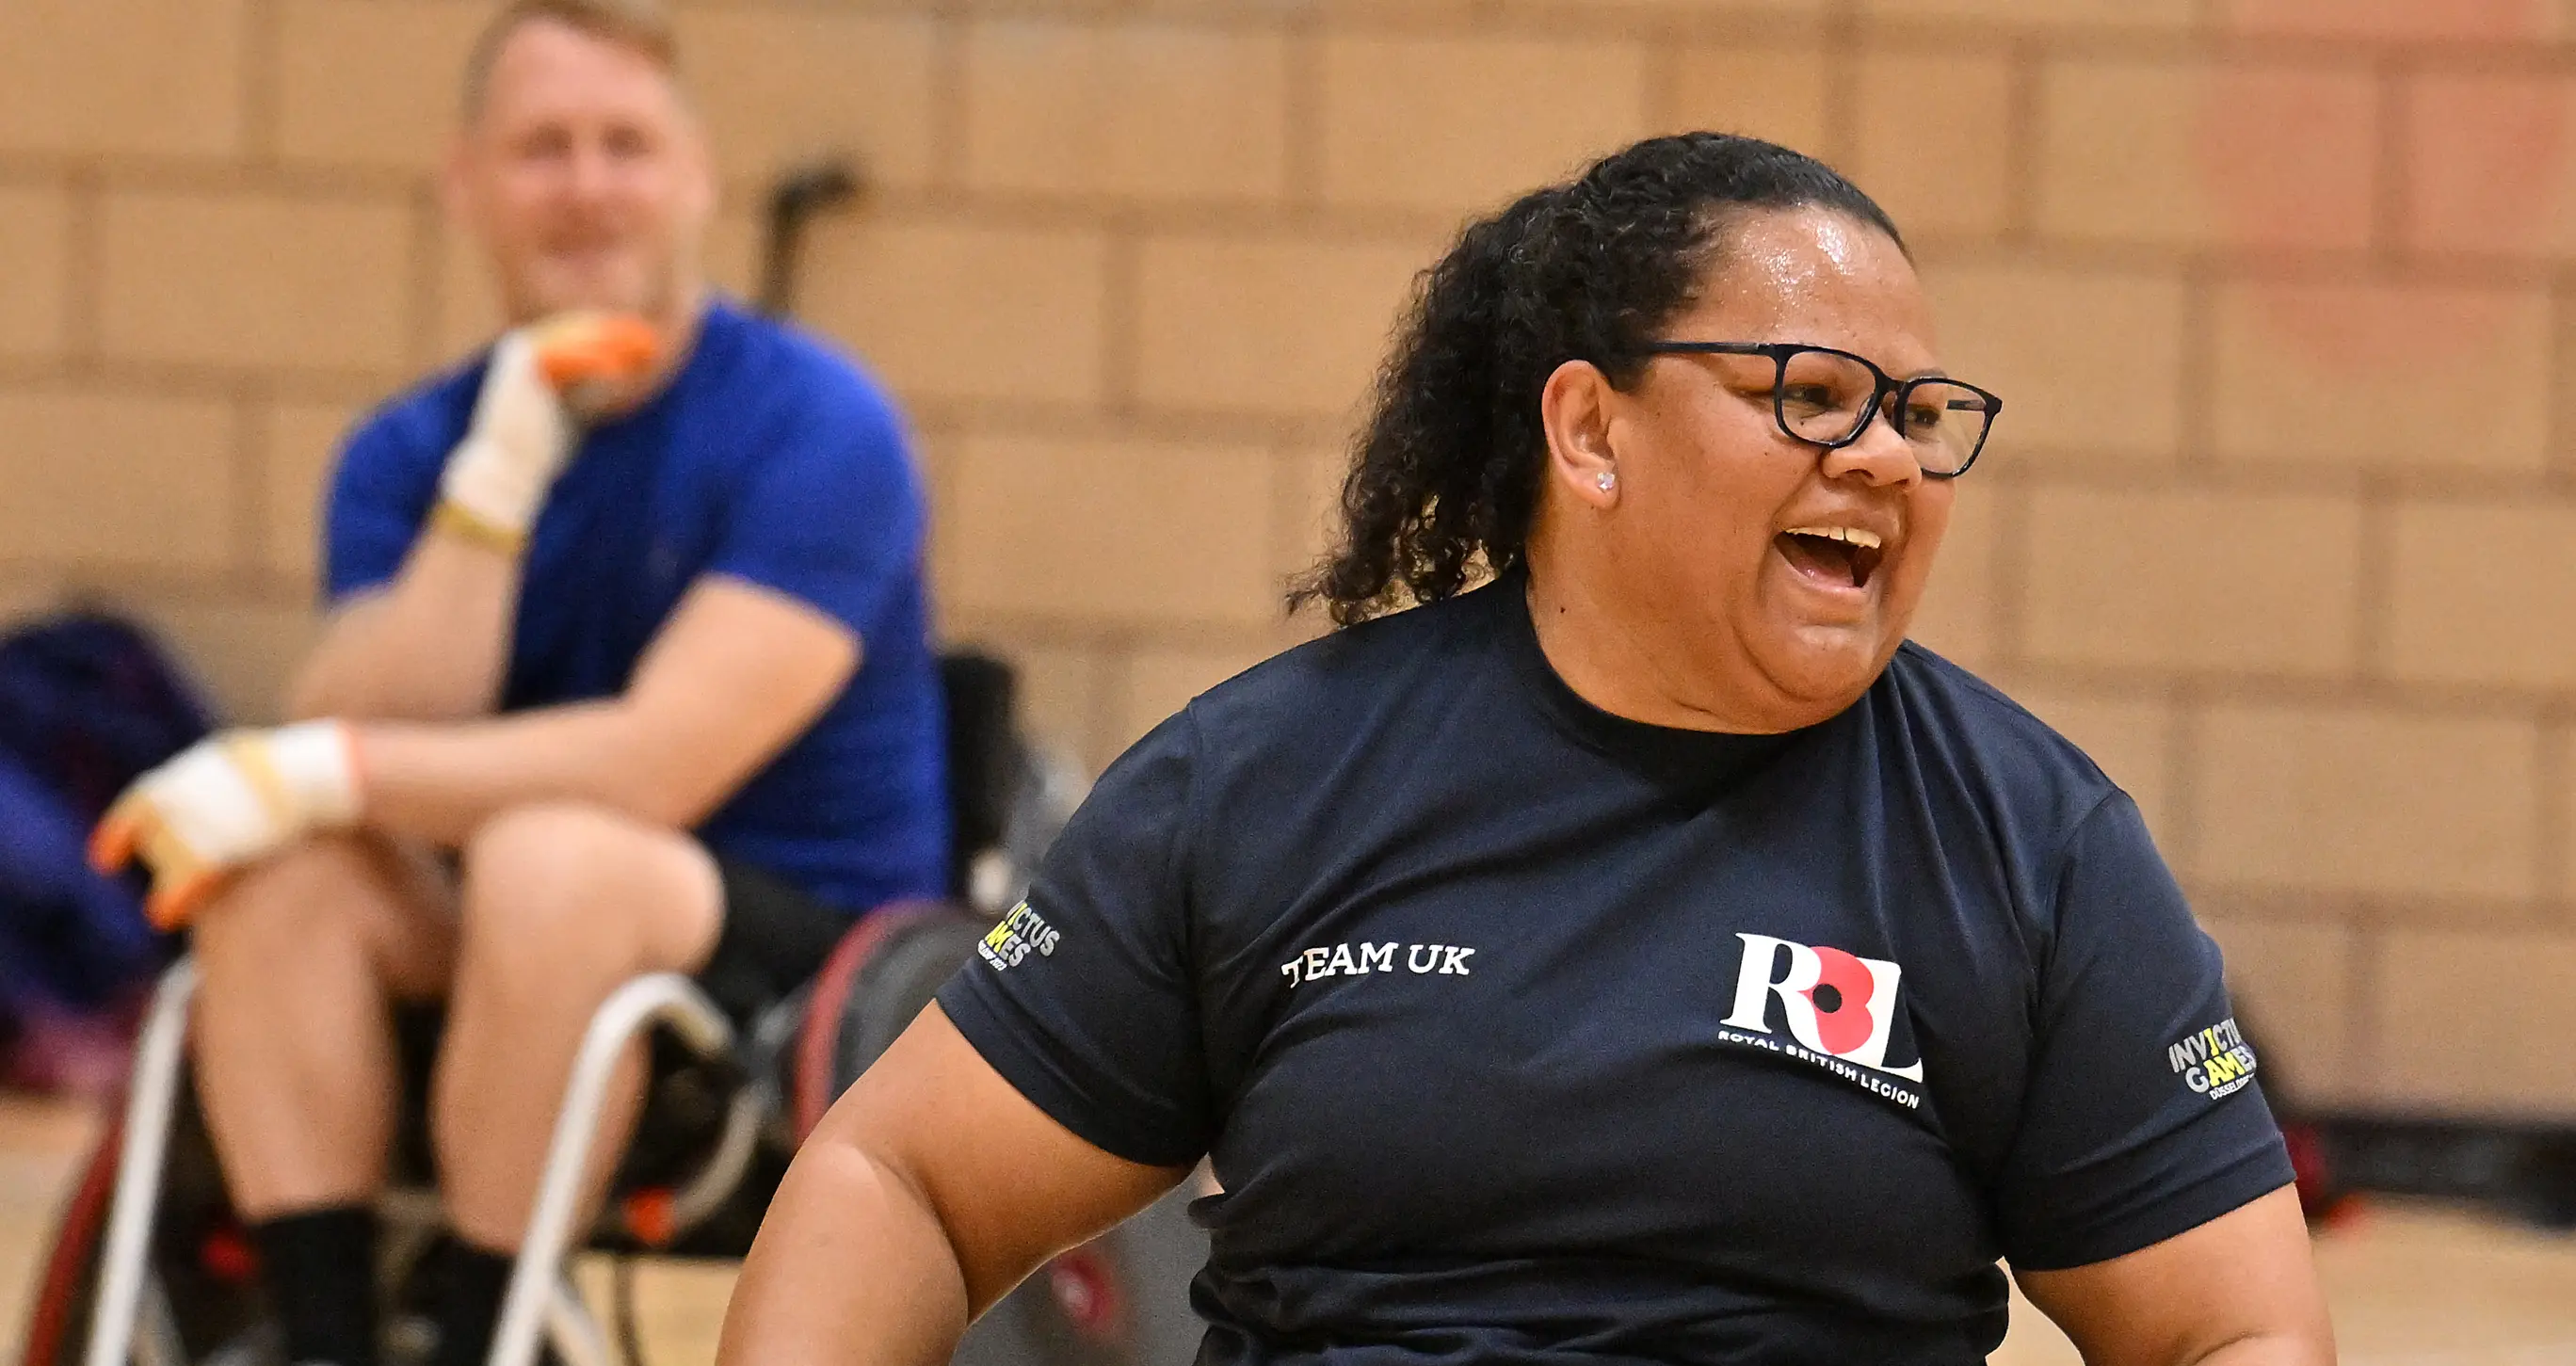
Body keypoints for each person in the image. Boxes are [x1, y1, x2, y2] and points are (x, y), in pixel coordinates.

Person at [715, 133, 2334, 1365]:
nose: (1889, 459)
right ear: (1590, 429)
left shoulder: (2033, 842)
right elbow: (901, 1176)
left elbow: (2234, 1324)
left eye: (1918, 416)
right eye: (1816, 392)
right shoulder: (1269, 780)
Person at [88, 3, 949, 1365]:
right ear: (467, 182)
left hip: (794, 945)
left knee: (545, 859)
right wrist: (494, 485)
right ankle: (331, 1337)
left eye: (626, 144)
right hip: (501, 939)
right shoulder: (409, 452)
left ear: (696, 177)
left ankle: (479, 1333)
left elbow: (658, 763)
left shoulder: (820, 425)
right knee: (283, 874)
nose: (589, 186)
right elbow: (373, 720)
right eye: (543, 148)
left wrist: (316, 770)